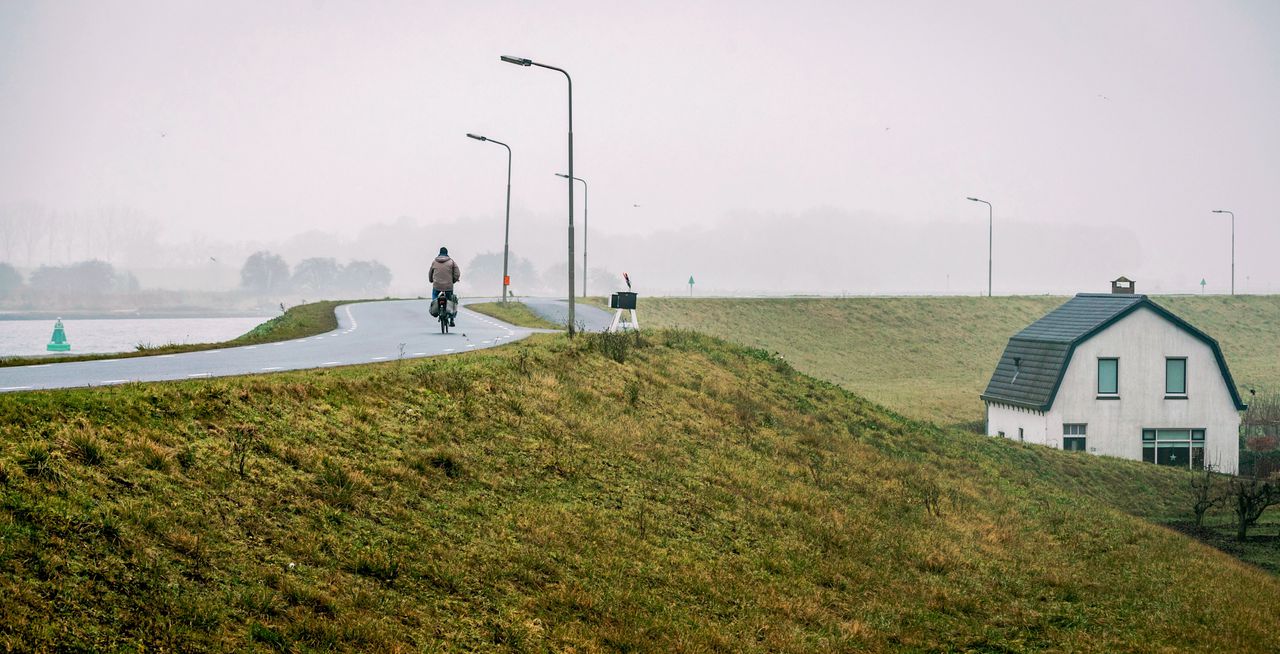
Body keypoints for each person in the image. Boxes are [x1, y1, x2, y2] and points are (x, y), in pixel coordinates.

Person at [429, 246, 461, 326]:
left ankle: (435, 309)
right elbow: (457, 273)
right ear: (447, 253)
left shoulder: (434, 262)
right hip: (448, 286)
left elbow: (430, 273)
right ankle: (452, 320)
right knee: (450, 300)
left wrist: (431, 280)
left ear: (439, 253)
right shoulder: (451, 262)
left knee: (434, 296)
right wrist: (453, 280)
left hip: (437, 286)